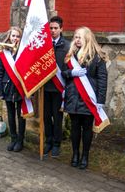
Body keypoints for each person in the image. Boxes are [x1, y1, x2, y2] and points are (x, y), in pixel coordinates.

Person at [62, 27, 108, 170]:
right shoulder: (70, 55)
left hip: (89, 99)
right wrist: (71, 72)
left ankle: (85, 156)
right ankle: (75, 154)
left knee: (87, 129)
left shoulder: (97, 57)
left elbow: (102, 80)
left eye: (79, 37)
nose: (76, 40)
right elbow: (63, 74)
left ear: (87, 38)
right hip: (73, 98)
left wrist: (100, 101)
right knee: (75, 128)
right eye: (75, 37)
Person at [43, 15, 70, 157]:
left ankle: (57, 143)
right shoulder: (44, 45)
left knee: (57, 117)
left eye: (55, 28)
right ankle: (48, 140)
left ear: (61, 29)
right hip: (45, 87)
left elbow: (69, 67)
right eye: (51, 28)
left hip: (59, 88)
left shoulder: (67, 46)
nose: (52, 30)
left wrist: (65, 75)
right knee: (46, 116)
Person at [0, 26, 25, 152]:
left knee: (21, 116)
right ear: (9, 37)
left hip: (20, 89)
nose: (15, 38)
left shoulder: (24, 52)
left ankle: (20, 140)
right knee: (11, 115)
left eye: (18, 36)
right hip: (7, 88)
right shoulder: (4, 53)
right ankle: (13, 138)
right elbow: (0, 73)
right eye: (13, 36)